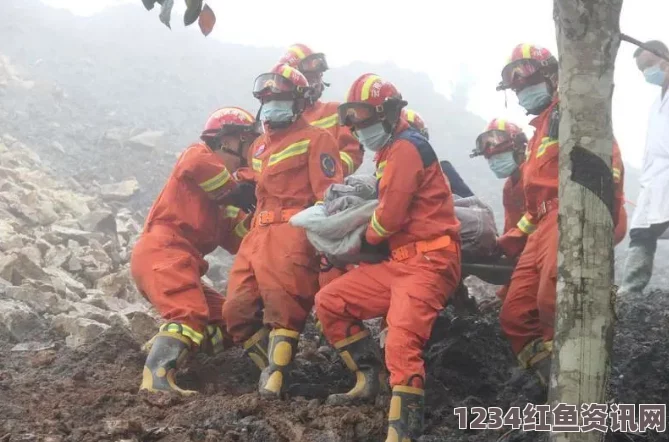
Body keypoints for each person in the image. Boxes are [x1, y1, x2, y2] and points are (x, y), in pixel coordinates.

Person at [314, 74, 462, 441]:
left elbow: (389, 216)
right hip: (401, 262)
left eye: (364, 117)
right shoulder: (390, 152)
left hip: (429, 262)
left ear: (389, 112)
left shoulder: (407, 148)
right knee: (330, 301)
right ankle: (369, 380)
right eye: (353, 119)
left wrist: (355, 240)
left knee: (401, 343)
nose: (358, 127)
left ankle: (402, 432)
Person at [495, 43, 627, 387]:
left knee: (553, 299)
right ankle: (551, 379)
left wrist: (598, 213)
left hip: (568, 213)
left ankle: (579, 385)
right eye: (517, 88)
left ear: (552, 76)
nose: (522, 92)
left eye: (526, 83)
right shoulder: (540, 129)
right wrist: (508, 241)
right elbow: (532, 204)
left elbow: (607, 160)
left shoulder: (571, 111)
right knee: (515, 316)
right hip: (542, 225)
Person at [222, 63, 343, 399]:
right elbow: (257, 183)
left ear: (299, 100)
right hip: (257, 233)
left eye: (279, 97)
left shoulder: (318, 139)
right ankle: (275, 373)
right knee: (236, 310)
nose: (271, 102)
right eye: (266, 97)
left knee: (283, 306)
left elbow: (330, 196)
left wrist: (324, 244)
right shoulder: (259, 146)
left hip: (291, 230)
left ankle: (276, 381)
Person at [131, 107, 260, 395]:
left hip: (181, 262)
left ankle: (180, 353)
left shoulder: (223, 204)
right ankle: (157, 381)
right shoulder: (198, 156)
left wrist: (262, 218)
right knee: (187, 314)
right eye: (247, 142)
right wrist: (239, 189)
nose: (250, 150)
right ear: (226, 139)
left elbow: (240, 239)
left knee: (229, 321)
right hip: (163, 252)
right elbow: (199, 166)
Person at [619, 40, 669, 296]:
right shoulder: (655, 106)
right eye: (642, 69)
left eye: (649, 65)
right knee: (641, 232)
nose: (647, 73)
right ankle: (630, 289)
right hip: (655, 181)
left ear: (665, 57)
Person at [279, 44, 363, 177]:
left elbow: (352, 154)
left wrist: (321, 172)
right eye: (311, 78)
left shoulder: (336, 112)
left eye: (319, 77)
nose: (317, 83)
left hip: (326, 192)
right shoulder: (278, 120)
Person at [471, 118, 528, 300]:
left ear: (518, 146)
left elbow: (537, 224)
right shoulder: (510, 188)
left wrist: (503, 243)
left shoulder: (534, 176)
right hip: (525, 259)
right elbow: (513, 231)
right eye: (490, 158)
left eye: (497, 155)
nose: (494, 161)